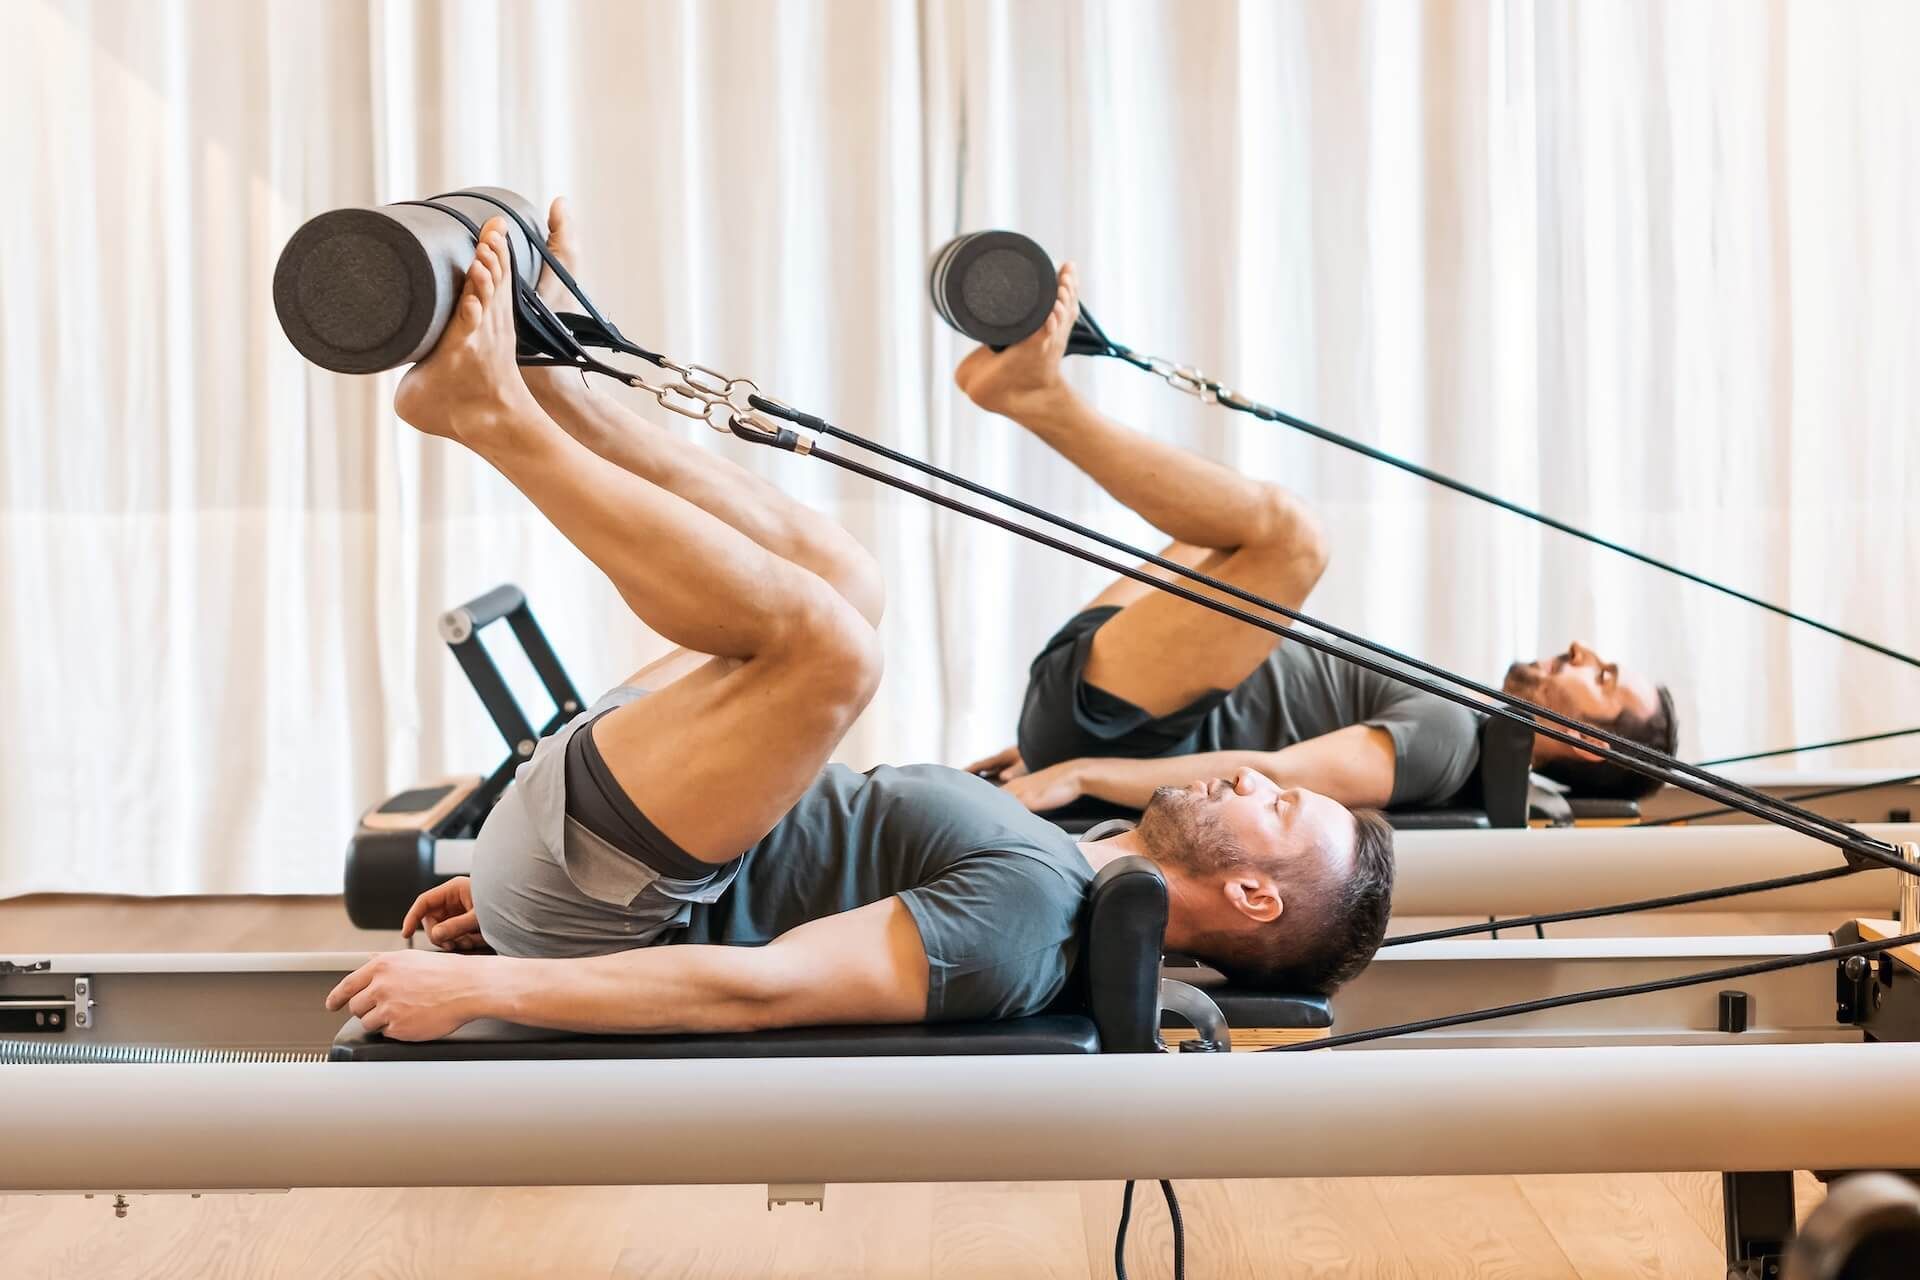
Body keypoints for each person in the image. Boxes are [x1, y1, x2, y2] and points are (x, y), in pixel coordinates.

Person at [327, 206, 1396, 1042]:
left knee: (835, 648)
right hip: (605, 852)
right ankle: (559, 388)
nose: (1252, 771)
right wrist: (529, 887)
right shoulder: (1069, 866)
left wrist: (495, 973)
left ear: (1254, 894)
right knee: (846, 578)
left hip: (605, 896)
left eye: (1282, 804)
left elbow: (756, 989)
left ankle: (488, 415)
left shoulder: (1029, 925)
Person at [961, 264, 1677, 816]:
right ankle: (1033, 389)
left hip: (1121, 731)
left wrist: (1078, 771)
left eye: (1604, 678)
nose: (1585, 652)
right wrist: (1041, 747)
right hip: (1114, 694)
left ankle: (1038, 398)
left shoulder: (1448, 742)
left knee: (1295, 540)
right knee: (1226, 539)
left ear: (1588, 741)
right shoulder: (1454, 712)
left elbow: (1270, 778)